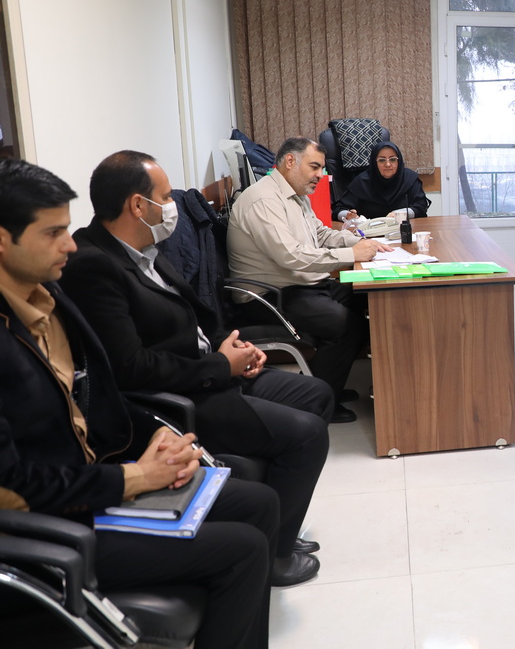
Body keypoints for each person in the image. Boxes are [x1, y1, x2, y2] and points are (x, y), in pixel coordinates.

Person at [0, 158, 276, 649]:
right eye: (53, 233)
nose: (70, 244)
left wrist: (158, 438)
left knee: (256, 502)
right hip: (52, 526)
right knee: (245, 550)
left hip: (99, 476)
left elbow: (98, 394)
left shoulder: (50, 297)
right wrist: (136, 478)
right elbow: (15, 483)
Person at [60, 150, 330, 587]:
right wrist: (221, 365)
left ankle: (280, 525)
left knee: (316, 395)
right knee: (308, 434)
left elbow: (196, 316)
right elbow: (131, 367)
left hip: (212, 368)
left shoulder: (146, 248)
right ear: (137, 205)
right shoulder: (94, 265)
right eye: (166, 197)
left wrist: (230, 345)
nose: (173, 207)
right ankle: (275, 556)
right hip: (183, 396)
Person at [228, 136, 392, 422]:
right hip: (269, 296)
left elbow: (321, 234)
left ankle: (330, 386)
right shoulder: (263, 200)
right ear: (290, 161)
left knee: (363, 300)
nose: (320, 175)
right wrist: (351, 254)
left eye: (321, 169)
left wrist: (362, 242)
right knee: (344, 323)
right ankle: (318, 402)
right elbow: (290, 256)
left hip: (299, 284)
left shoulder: (296, 195)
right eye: (315, 167)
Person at [333, 140, 432, 221]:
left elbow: (421, 208)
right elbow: (338, 210)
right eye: (382, 160)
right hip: (370, 234)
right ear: (374, 162)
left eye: (392, 159)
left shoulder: (410, 179)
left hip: (403, 231)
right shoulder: (361, 182)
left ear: (399, 161)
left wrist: (399, 214)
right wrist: (347, 215)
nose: (388, 164)